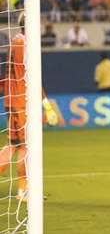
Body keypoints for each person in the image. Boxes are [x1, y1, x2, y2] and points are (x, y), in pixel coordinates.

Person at [0, 13, 58, 202]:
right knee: (27, 146)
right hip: (21, 100)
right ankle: (24, 190)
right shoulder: (27, 45)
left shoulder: (15, 40)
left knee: (13, 145)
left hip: (11, 98)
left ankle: (24, 190)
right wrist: (47, 105)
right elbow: (32, 79)